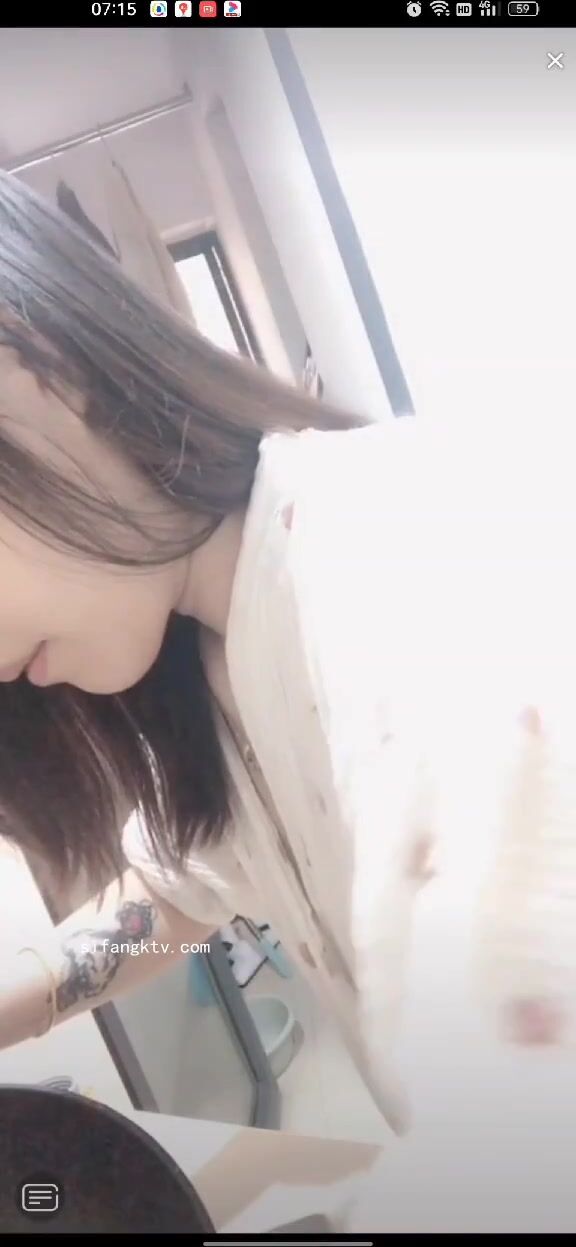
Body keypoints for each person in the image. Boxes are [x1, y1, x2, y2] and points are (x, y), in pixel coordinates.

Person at [1, 172, 576, 1226]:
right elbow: (185, 881)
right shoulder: (219, 651)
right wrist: (23, 1002)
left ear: (37, 369)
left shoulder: (401, 584)